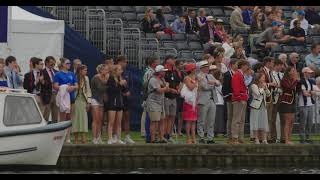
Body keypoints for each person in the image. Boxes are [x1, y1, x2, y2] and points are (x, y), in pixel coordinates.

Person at [54, 58, 78, 143]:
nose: (69, 65)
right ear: (63, 64)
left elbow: (76, 85)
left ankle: (67, 137)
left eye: (70, 63)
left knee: (69, 119)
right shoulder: (58, 74)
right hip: (63, 99)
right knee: (62, 118)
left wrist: (72, 88)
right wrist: (64, 87)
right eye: (67, 63)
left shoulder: (72, 74)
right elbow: (55, 86)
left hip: (71, 99)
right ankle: (61, 137)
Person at [197, 61, 219, 144]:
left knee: (211, 120)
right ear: (201, 68)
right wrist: (213, 84)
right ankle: (201, 137)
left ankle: (210, 137)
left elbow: (218, 83)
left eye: (207, 66)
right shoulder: (199, 76)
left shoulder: (210, 76)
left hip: (212, 99)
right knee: (201, 120)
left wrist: (213, 82)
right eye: (205, 67)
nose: (207, 68)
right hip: (203, 100)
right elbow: (205, 86)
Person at [106, 65, 129, 144]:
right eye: (119, 70)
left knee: (119, 122)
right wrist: (120, 84)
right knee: (111, 122)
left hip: (120, 102)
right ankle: (110, 138)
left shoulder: (120, 78)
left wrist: (124, 84)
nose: (121, 71)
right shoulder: (111, 79)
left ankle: (118, 138)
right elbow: (111, 90)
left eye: (121, 70)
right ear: (115, 71)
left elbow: (123, 90)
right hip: (112, 102)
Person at [146, 65, 169, 143]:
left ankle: (161, 137)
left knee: (162, 120)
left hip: (161, 102)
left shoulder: (162, 79)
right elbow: (159, 90)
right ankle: (153, 139)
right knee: (154, 121)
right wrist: (166, 87)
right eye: (163, 71)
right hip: (153, 102)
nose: (165, 72)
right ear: (159, 72)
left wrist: (166, 87)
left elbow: (166, 88)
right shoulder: (153, 80)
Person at [115, 56, 135, 144]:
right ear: (119, 62)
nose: (126, 64)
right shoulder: (114, 72)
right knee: (117, 118)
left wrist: (129, 92)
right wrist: (121, 92)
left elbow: (131, 84)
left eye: (126, 62)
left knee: (127, 117)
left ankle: (127, 136)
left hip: (126, 99)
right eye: (124, 62)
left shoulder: (128, 73)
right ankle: (116, 136)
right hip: (117, 98)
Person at [230, 60, 250, 144]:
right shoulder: (237, 74)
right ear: (242, 66)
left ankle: (240, 137)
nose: (247, 67)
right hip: (239, 99)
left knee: (241, 120)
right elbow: (235, 87)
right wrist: (238, 97)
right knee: (237, 119)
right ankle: (235, 137)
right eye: (246, 65)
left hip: (242, 98)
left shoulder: (240, 74)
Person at [278, 66, 299, 144]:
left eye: (295, 71)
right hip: (286, 102)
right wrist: (296, 80)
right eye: (293, 71)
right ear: (288, 72)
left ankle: (289, 139)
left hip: (292, 101)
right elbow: (289, 88)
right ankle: (286, 140)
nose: (294, 72)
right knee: (287, 121)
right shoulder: (284, 80)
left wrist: (298, 82)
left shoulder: (293, 80)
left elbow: (297, 89)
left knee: (292, 121)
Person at [141, 56, 160, 138]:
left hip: (152, 96)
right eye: (157, 62)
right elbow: (147, 85)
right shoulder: (149, 72)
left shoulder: (152, 71)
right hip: (149, 96)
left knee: (148, 114)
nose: (158, 63)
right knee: (146, 114)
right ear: (153, 63)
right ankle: (144, 132)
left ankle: (149, 132)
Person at [163, 55, 181, 143]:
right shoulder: (164, 71)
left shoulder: (175, 71)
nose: (174, 60)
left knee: (172, 116)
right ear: (167, 60)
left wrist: (178, 88)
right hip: (166, 97)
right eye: (172, 59)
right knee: (166, 116)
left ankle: (169, 134)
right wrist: (171, 90)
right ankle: (164, 134)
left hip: (174, 97)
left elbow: (178, 81)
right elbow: (163, 84)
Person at [72, 65, 92, 144]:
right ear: (80, 71)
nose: (86, 72)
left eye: (86, 70)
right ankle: (76, 138)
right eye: (84, 70)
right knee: (76, 119)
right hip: (76, 101)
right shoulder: (74, 77)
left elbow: (88, 90)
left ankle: (83, 138)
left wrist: (89, 102)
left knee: (84, 119)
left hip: (83, 101)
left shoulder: (86, 78)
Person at [249, 73, 271, 144]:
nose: (264, 79)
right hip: (256, 106)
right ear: (258, 78)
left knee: (263, 122)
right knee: (255, 122)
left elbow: (268, 94)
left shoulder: (264, 85)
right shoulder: (253, 85)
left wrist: (266, 88)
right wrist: (263, 88)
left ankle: (264, 139)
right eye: (263, 77)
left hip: (263, 106)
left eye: (264, 77)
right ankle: (256, 138)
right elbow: (257, 94)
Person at [91, 64, 109, 144]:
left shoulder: (105, 78)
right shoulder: (96, 77)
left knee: (100, 120)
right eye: (105, 69)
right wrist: (106, 82)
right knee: (95, 120)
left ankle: (99, 137)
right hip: (95, 99)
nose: (107, 71)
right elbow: (100, 88)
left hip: (101, 100)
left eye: (107, 70)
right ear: (101, 70)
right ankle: (94, 138)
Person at [181, 63, 198, 144]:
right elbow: (190, 87)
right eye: (194, 68)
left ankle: (193, 138)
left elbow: (198, 88)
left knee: (194, 121)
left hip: (194, 101)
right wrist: (196, 82)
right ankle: (188, 138)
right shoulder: (187, 78)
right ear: (191, 70)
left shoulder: (195, 77)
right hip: (188, 101)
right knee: (189, 120)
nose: (196, 70)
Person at [261, 56, 277, 143]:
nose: (273, 64)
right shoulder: (262, 71)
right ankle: (265, 136)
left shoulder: (269, 72)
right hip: (265, 97)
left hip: (270, 97)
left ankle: (268, 136)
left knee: (269, 118)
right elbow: (261, 83)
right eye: (272, 62)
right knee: (266, 118)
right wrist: (271, 84)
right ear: (268, 63)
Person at [298, 67, 316, 144]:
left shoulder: (310, 81)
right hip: (303, 104)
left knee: (310, 122)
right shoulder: (301, 81)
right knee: (303, 122)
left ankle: (308, 137)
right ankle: (302, 138)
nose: (310, 74)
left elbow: (313, 92)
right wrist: (311, 92)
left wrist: (310, 92)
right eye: (308, 72)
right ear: (304, 73)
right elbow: (305, 93)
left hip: (310, 104)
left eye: (310, 73)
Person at [222, 59, 238, 143]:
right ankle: (229, 135)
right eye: (236, 64)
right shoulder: (227, 74)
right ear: (231, 65)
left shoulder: (238, 73)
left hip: (236, 98)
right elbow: (225, 88)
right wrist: (228, 96)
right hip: (230, 98)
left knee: (235, 117)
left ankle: (235, 135)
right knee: (230, 117)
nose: (237, 66)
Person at [42, 56, 59, 123]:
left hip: (56, 94)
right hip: (47, 94)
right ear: (46, 62)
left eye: (54, 63)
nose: (53, 64)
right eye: (51, 63)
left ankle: (55, 129)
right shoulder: (42, 72)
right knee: (46, 113)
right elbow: (42, 83)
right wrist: (51, 83)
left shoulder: (56, 72)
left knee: (55, 113)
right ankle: (44, 128)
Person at [270, 60, 284, 143]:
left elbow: (285, 85)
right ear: (276, 65)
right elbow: (273, 86)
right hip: (274, 98)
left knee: (282, 119)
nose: (281, 67)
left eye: (282, 65)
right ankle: (274, 137)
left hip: (282, 98)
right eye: (280, 65)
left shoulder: (282, 75)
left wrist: (280, 86)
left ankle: (281, 137)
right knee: (274, 119)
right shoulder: (271, 74)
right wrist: (279, 87)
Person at [212, 68, 226, 136]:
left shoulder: (218, 82)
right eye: (221, 75)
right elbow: (222, 91)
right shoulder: (217, 82)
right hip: (218, 101)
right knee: (218, 118)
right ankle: (218, 131)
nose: (222, 76)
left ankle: (217, 131)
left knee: (218, 117)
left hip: (220, 101)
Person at [176, 60, 187, 136]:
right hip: (175, 95)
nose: (182, 65)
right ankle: (172, 131)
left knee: (181, 114)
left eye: (183, 64)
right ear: (177, 65)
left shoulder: (183, 73)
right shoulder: (174, 73)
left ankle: (179, 131)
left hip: (182, 96)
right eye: (181, 64)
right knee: (173, 114)